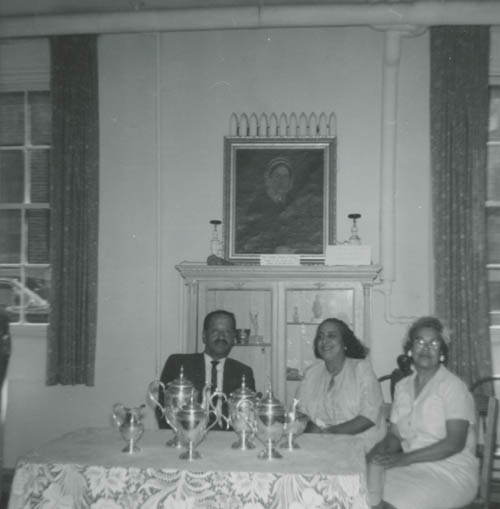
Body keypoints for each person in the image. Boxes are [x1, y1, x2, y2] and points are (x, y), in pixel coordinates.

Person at [366, 316, 478, 509]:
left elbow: (455, 443)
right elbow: (394, 436)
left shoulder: (453, 387)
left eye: (434, 343)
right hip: (409, 467)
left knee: (390, 503)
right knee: (361, 492)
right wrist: (373, 454)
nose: (426, 348)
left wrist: (403, 459)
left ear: (442, 353)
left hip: (450, 471)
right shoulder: (402, 387)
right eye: (419, 341)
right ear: (410, 350)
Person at [295, 318, 386, 452]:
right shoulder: (311, 373)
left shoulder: (361, 369)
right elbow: (302, 414)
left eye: (331, 336)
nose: (324, 341)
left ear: (345, 342)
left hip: (362, 447)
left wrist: (329, 434)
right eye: (320, 337)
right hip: (322, 446)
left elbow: (368, 417)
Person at [156, 309, 255, 430]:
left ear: (234, 338)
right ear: (204, 336)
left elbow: (248, 415)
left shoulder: (243, 372)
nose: (221, 336)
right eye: (215, 331)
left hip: (228, 441)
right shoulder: (179, 364)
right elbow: (163, 408)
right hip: (187, 436)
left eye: (227, 332)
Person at [235, 155, 323, 255]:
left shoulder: (292, 202)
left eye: (286, 177)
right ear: (269, 178)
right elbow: (249, 240)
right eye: (278, 176)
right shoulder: (257, 204)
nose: (282, 180)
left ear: (290, 180)